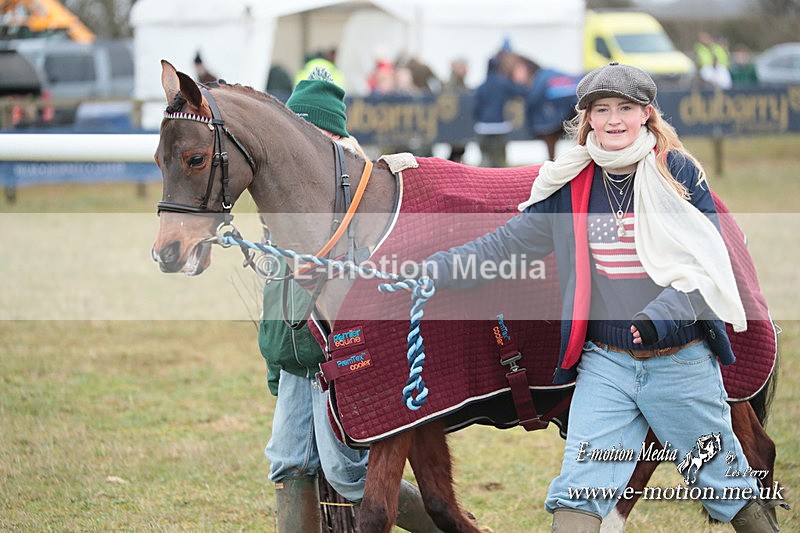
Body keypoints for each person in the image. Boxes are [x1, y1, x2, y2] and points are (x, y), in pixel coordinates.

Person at [423, 62, 778, 532]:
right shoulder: (573, 183)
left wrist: (658, 317)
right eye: (602, 109)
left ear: (646, 114)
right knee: (579, 493)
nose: (613, 119)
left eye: (625, 108)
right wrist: (434, 270)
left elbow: (706, 263)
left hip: (680, 362)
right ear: (587, 118)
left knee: (727, 488)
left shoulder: (678, 174)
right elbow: (506, 244)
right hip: (605, 365)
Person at [262, 67, 442, 533]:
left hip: (335, 360)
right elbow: (275, 304)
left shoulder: (359, 196)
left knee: (348, 471)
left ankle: (451, 525)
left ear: (337, 139)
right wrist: (274, 363)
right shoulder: (280, 198)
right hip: (294, 361)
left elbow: (371, 280)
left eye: (315, 134)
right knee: (286, 463)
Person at [472, 51, 527, 167]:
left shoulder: (481, 86)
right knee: (500, 163)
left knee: (485, 162)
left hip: (483, 128)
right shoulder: (503, 83)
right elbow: (521, 92)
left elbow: (475, 109)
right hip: (500, 127)